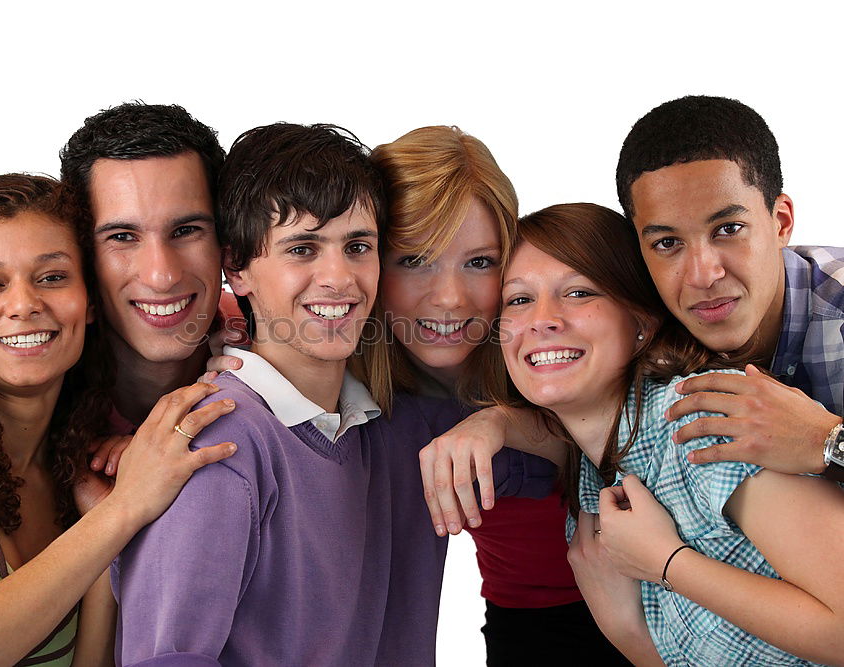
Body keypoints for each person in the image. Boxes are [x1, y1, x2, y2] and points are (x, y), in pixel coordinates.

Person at [111, 123, 556, 666]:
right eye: (302, 248)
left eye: (358, 247)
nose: (338, 278)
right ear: (238, 269)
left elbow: (571, 457)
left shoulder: (401, 428)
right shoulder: (216, 451)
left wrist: (498, 423)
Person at [0, 174, 235, 666]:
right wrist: (126, 509)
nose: (25, 305)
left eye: (52, 277)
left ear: (90, 302)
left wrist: (106, 524)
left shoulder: (79, 469)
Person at [499, 202, 844, 665]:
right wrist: (627, 631)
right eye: (519, 299)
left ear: (640, 324)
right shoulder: (594, 479)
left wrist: (668, 564)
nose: (543, 318)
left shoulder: (703, 420)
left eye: (579, 293)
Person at [353, 125, 620, 665]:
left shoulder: (545, 335)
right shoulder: (342, 346)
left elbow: (610, 432)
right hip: (528, 623)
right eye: (414, 259)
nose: (450, 299)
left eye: (479, 262)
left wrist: (496, 423)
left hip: (666, 602)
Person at [615, 95, 844, 481]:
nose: (703, 276)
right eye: (667, 243)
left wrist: (826, 440)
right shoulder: (635, 326)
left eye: (728, 229)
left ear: (781, 223)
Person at [59, 101, 242, 443]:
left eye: (186, 230)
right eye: (123, 237)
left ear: (226, 238)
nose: (162, 276)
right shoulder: (39, 366)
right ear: (81, 251)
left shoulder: (276, 336)